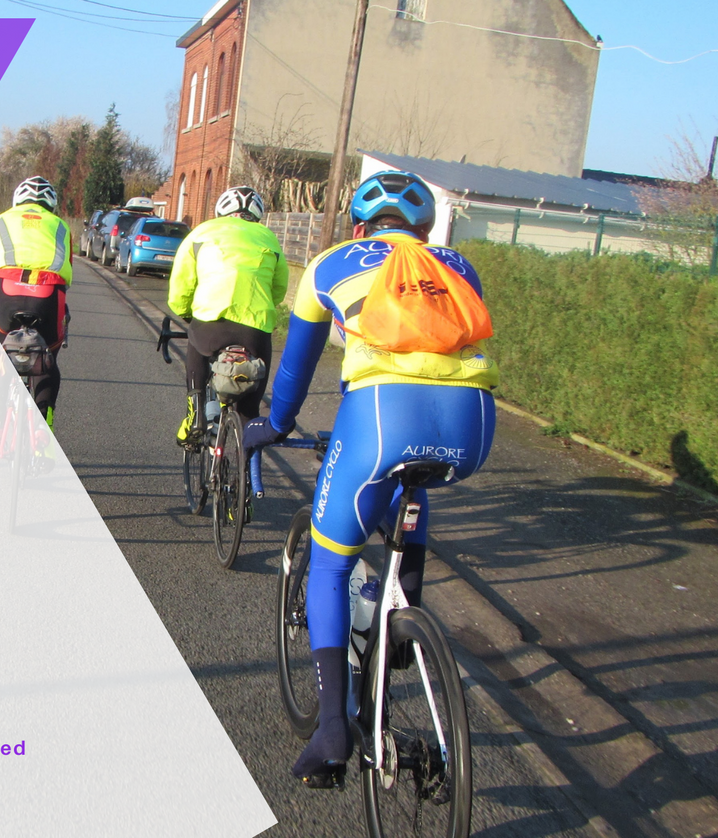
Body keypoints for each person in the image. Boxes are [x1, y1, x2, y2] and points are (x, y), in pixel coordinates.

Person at [241, 170, 499, 786]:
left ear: (359, 227)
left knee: (329, 565)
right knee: (411, 492)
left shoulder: (331, 263)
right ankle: (407, 615)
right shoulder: (456, 262)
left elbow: (297, 371)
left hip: (382, 417)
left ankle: (331, 728)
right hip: (475, 425)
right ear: (425, 230)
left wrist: (275, 427)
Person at [166, 186, 289, 446]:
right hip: (255, 328)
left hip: (211, 322)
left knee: (197, 346)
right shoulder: (268, 237)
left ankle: (195, 415)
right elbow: (278, 289)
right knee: (250, 402)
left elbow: (181, 286)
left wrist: (188, 314)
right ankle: (247, 456)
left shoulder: (202, 232)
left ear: (221, 211)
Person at [0, 176, 75, 451]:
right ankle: (42, 431)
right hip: (48, 296)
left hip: (7, 291)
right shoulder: (61, 226)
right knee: (48, 358)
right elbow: (67, 272)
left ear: (17, 200)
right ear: (51, 205)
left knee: (0, 350)